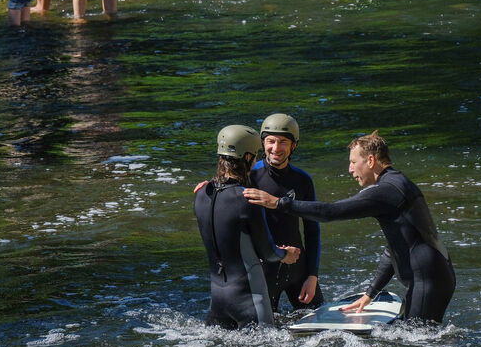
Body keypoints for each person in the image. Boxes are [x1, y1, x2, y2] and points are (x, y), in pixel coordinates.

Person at [244, 131, 456, 324]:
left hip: (427, 280)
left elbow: (330, 212)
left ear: (370, 160)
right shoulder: (396, 184)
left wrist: (279, 203)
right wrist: (370, 294)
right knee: (416, 337)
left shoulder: (386, 190)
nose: (350, 169)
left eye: (354, 162)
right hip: (434, 274)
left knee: (418, 346)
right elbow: (394, 249)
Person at [194, 125, 300, 329]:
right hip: (248, 299)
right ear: (249, 156)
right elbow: (267, 251)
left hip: (217, 299)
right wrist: (285, 254)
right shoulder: (247, 199)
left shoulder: (200, 194)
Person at [252, 113, 324, 312]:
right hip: (264, 270)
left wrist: (312, 276)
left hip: (298, 270)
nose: (276, 148)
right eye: (270, 141)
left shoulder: (302, 180)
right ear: (262, 143)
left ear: (294, 145)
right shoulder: (250, 176)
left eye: (283, 142)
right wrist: (211, 189)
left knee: (322, 324)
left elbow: (312, 230)